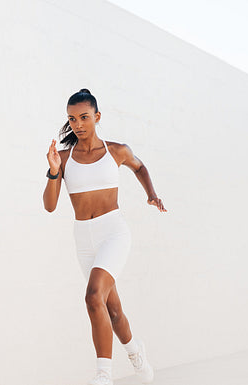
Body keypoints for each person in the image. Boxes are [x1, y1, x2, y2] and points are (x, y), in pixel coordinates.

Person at [43, 89, 167, 385]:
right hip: (83, 239)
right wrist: (53, 171)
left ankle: (103, 377)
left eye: (84, 117)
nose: (78, 124)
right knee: (111, 309)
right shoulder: (63, 157)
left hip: (113, 232)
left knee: (92, 296)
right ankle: (136, 352)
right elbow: (49, 206)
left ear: (97, 117)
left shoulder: (116, 151)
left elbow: (140, 166)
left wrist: (151, 194)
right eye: (72, 119)